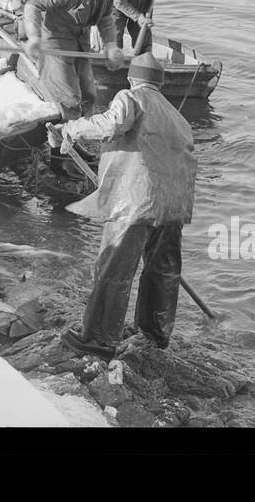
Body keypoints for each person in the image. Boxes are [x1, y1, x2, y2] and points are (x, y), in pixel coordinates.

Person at [51, 53, 197, 360]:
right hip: (174, 208)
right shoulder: (179, 118)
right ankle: (154, 335)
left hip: (136, 201)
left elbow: (113, 122)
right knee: (163, 272)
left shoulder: (131, 97)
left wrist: (72, 129)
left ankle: (99, 340)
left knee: (114, 268)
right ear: (160, 83)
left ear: (133, 78)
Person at [22, 0, 125, 122]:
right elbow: (33, 6)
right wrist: (34, 38)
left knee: (88, 92)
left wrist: (111, 46)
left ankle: (86, 127)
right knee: (68, 95)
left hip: (80, 38)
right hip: (55, 39)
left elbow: (106, 19)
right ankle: (65, 131)